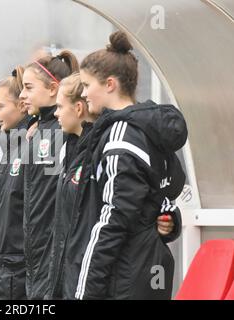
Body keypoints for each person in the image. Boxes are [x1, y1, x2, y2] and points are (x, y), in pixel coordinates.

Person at [63, 31, 186, 300]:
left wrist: (85, 292)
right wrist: (168, 216)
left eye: (86, 85)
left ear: (109, 84)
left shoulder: (123, 133)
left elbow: (113, 219)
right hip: (145, 269)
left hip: (124, 276)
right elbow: (164, 192)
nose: (83, 94)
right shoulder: (145, 128)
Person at [18, 50, 79, 299]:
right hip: (34, 256)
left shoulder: (65, 132)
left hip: (52, 254)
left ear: (53, 89)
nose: (22, 95)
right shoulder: (37, 128)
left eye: (29, 87)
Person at [0, 66, 31, 300]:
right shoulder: (9, 143)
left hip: (15, 268)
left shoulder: (31, 145)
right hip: (3, 266)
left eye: (0, 107)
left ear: (21, 105)